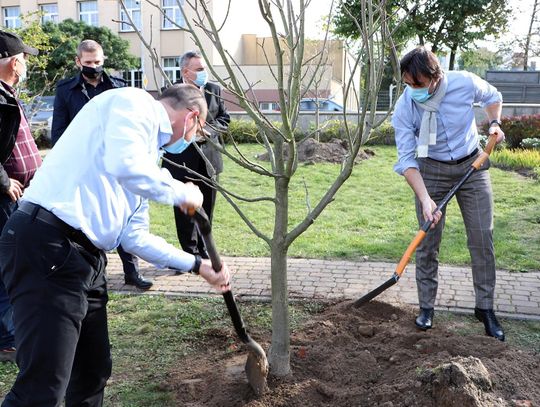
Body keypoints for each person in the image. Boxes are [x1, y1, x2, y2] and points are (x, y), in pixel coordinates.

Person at [0, 84, 231, 406]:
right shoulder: (132, 103)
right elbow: (126, 167)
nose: (194, 138)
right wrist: (182, 192)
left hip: (85, 260)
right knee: (43, 385)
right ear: (193, 117)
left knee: (93, 371)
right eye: (199, 130)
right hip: (46, 243)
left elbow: (134, 237)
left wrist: (198, 265)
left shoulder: (148, 158)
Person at [392, 46, 506, 341]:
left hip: (473, 164)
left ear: (436, 76)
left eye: (417, 84)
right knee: (428, 242)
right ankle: (426, 307)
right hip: (429, 170)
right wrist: (425, 198)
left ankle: (485, 308)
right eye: (407, 83)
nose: (412, 90)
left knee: (482, 238)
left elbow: (493, 97)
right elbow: (406, 159)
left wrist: (494, 122)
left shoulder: (464, 82)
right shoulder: (405, 105)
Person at [51, 39, 153, 290]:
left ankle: (132, 272)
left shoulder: (118, 87)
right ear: (78, 62)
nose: (93, 66)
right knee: (90, 218)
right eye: (88, 63)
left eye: (97, 62)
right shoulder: (65, 91)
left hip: (115, 163)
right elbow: (59, 133)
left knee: (123, 215)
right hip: (83, 166)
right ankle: (95, 273)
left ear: (104, 59)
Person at [162, 50, 230, 260]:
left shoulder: (213, 90)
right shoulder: (171, 92)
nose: (204, 73)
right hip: (182, 159)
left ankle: (204, 248)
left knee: (207, 206)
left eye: (204, 68)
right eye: (199, 69)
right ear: (186, 71)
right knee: (185, 209)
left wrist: (208, 130)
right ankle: (189, 252)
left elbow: (224, 119)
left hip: (209, 158)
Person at [0, 31, 41, 363]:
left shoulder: (8, 94)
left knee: (14, 265)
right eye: (24, 58)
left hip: (20, 195)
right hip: (4, 198)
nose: (26, 62)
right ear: (14, 62)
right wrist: (3, 182)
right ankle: (7, 340)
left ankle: (15, 333)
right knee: (6, 268)